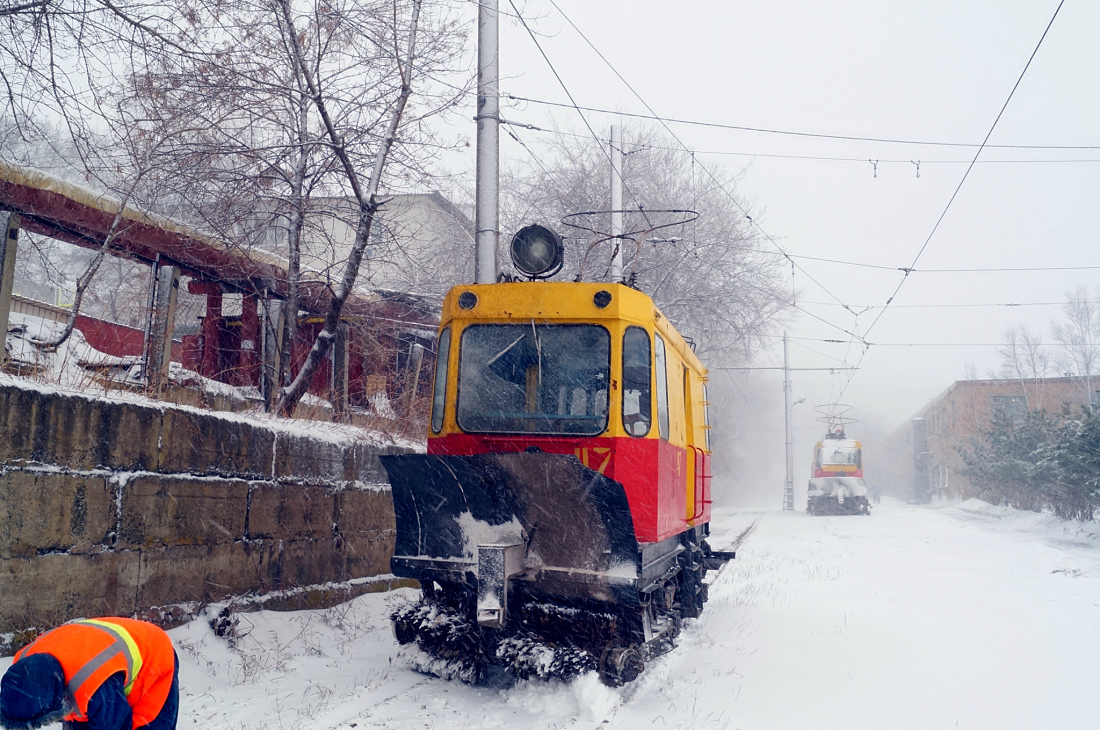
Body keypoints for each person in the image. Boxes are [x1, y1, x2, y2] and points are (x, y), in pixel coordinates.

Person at [0, 617, 178, 730]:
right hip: (106, 645)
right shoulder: (23, 666)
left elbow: (116, 725)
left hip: (155, 654)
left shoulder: (93, 685)